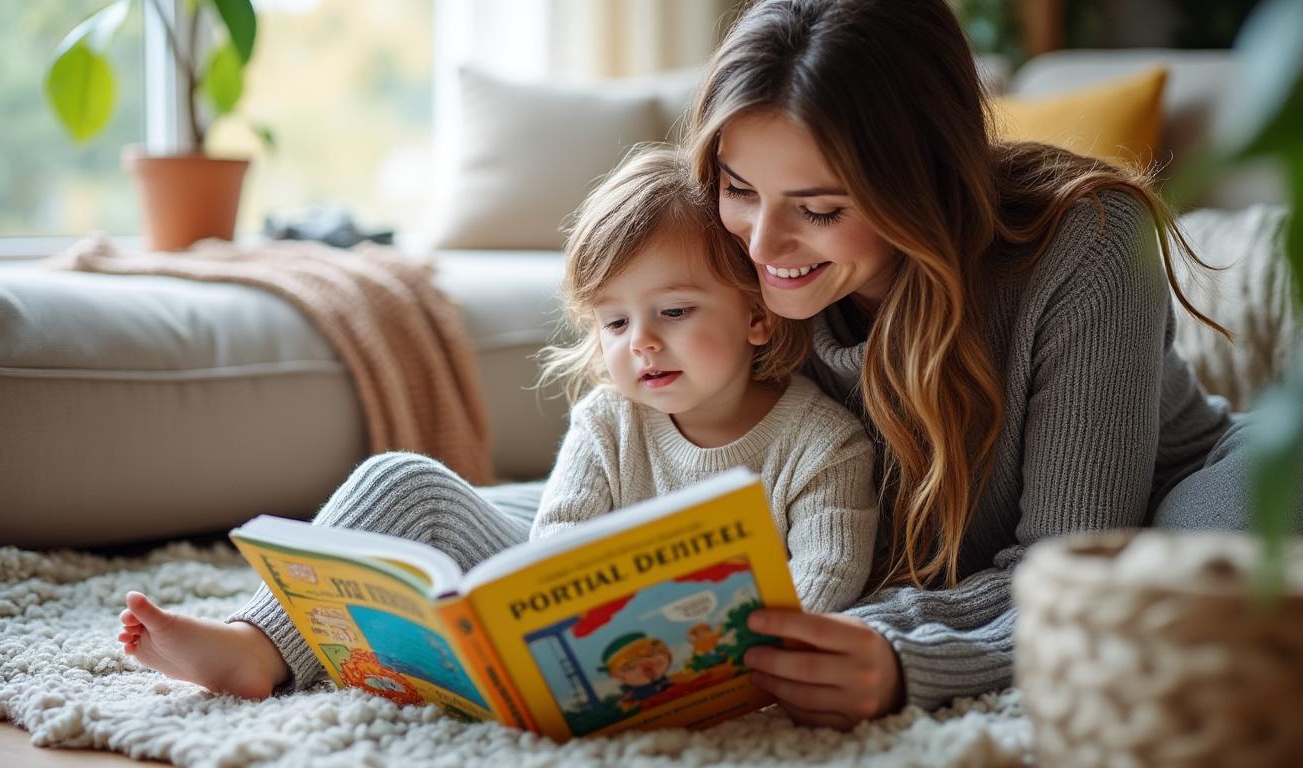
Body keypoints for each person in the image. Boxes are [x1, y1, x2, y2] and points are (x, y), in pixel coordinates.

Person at [680, 0, 1303, 730]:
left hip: (1169, 506)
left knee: (1210, 556)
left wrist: (903, 653)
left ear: (923, 180)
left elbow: (1070, 562)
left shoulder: (1090, 242)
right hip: (1011, 580)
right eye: (740, 190)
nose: (762, 244)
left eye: (820, 210)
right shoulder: (719, 265)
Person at [116, 145, 879, 699]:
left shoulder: (822, 443)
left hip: (707, 648)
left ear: (756, 316)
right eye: (614, 323)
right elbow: (554, 547)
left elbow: (826, 582)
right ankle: (255, 646)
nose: (641, 342)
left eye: (674, 312)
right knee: (401, 482)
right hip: (583, 622)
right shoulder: (608, 419)